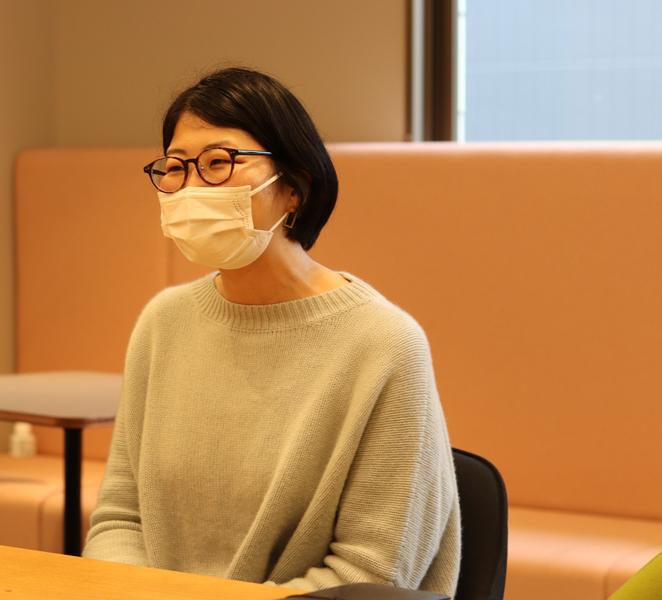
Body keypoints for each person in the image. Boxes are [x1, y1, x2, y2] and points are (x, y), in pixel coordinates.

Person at [82, 66, 461, 596]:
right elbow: (120, 519)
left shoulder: (384, 342)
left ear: (293, 189)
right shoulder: (163, 322)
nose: (190, 186)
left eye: (218, 163)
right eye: (175, 167)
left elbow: (373, 572)